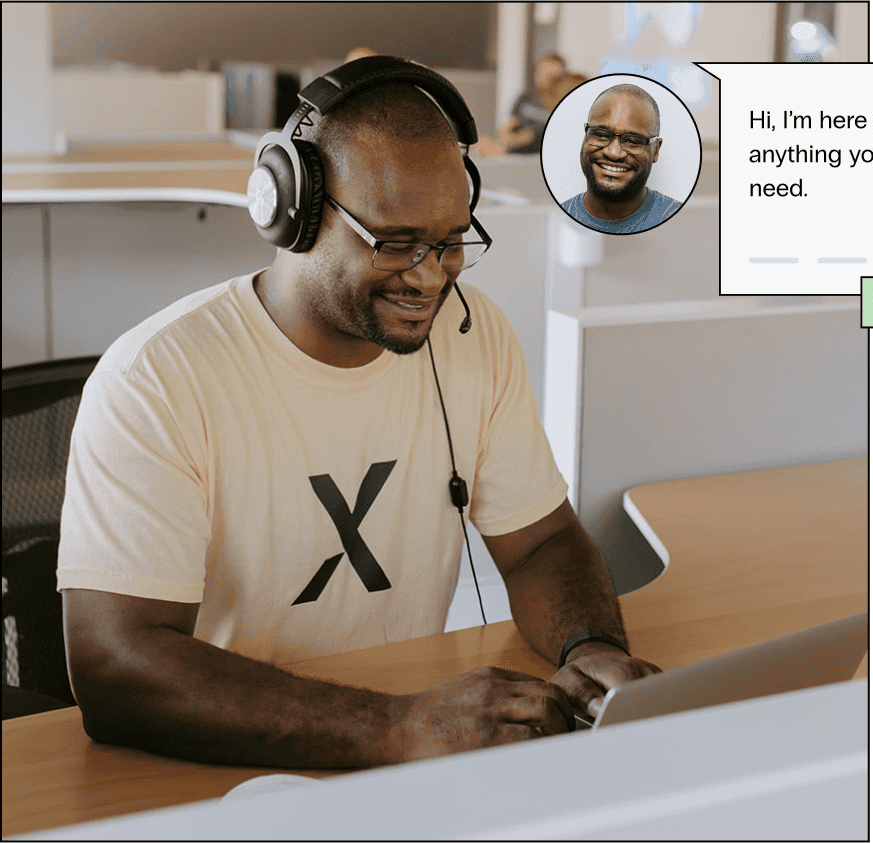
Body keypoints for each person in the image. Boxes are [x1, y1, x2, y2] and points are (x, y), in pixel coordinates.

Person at [57, 61, 661, 770]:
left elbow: (539, 544)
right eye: (395, 243)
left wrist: (589, 647)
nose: (432, 275)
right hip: (219, 765)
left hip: (397, 758)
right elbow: (114, 664)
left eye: (450, 241)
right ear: (293, 211)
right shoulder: (157, 378)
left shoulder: (471, 334)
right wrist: (399, 726)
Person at [561, 84, 683, 234]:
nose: (613, 153)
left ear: (656, 150)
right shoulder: (555, 219)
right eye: (601, 134)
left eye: (633, 141)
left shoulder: (682, 224)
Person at [497, 52, 566, 154]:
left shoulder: (561, 105)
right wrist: (507, 141)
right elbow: (506, 128)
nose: (544, 78)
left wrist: (524, 137)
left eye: (550, 75)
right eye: (541, 73)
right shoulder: (526, 97)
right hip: (515, 155)